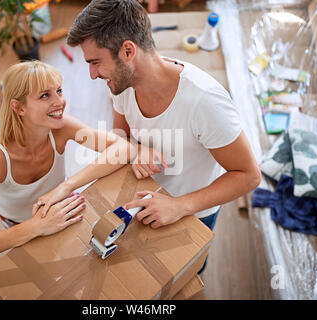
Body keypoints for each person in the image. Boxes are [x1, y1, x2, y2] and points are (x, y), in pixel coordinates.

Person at [67, 0, 261, 273]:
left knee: (186, 277)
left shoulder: (205, 102)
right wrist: (135, 150)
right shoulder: (121, 85)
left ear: (127, 51)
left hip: (191, 211)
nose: (91, 74)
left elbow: (249, 175)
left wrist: (179, 206)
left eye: (95, 62)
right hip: (139, 198)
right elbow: (120, 138)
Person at [0, 61, 135, 266]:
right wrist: (37, 226)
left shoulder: (61, 127)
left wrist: (65, 187)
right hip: (21, 225)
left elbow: (125, 149)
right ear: (19, 107)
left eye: (59, 91)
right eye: (44, 95)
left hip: (64, 204)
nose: (60, 101)